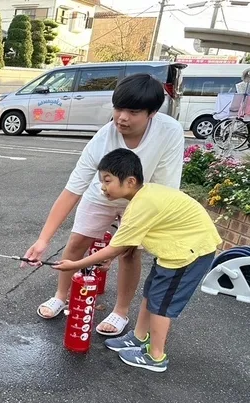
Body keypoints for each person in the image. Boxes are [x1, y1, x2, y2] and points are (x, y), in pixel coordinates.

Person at [22, 73, 185, 337]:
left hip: (144, 198)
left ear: (152, 113)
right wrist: (43, 240)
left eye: (133, 111)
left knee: (130, 252)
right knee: (76, 243)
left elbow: (163, 189)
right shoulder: (103, 138)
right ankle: (60, 296)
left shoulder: (169, 132)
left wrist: (117, 246)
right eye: (119, 108)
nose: (122, 117)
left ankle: (120, 312)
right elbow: (72, 190)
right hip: (102, 194)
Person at [53, 149, 221, 373]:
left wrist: (75, 264)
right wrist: (107, 258)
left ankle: (156, 356)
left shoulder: (142, 205)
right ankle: (139, 337)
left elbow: (116, 246)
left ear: (130, 181)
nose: (103, 187)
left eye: (108, 180)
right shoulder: (143, 197)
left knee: (162, 304)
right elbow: (125, 242)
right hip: (174, 251)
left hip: (188, 254)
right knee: (151, 293)